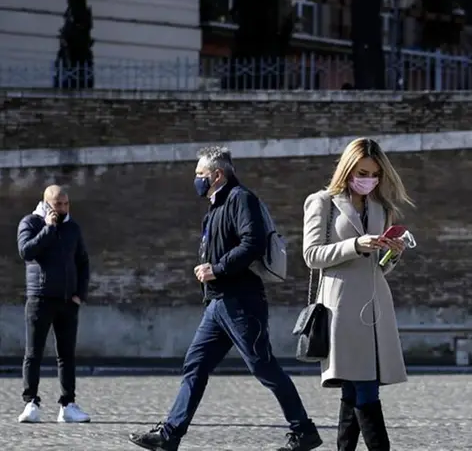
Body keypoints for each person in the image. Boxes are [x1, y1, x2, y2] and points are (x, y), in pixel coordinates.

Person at [128, 147, 322, 451]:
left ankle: (304, 430)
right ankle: (169, 435)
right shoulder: (215, 206)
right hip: (217, 305)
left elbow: (253, 243)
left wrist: (216, 269)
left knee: (263, 367)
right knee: (195, 365)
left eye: (200, 175)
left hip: (242, 303)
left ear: (217, 175)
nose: (196, 181)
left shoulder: (241, 199)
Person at [302, 138, 413, 451]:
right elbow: (311, 255)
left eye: (376, 174)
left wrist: (393, 253)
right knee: (365, 389)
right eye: (363, 172)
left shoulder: (381, 208)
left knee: (353, 392)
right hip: (341, 309)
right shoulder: (322, 202)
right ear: (348, 168)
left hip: (375, 309)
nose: (369, 179)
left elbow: (379, 267)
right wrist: (355, 244)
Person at [16, 185, 91, 424]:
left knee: (66, 355)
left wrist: (80, 294)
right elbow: (26, 252)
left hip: (68, 301)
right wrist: (48, 228)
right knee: (33, 353)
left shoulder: (73, 228)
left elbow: (83, 262)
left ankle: (68, 405)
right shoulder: (30, 223)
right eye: (58, 204)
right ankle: (31, 403)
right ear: (47, 204)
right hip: (39, 298)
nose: (63, 208)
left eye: (66, 204)